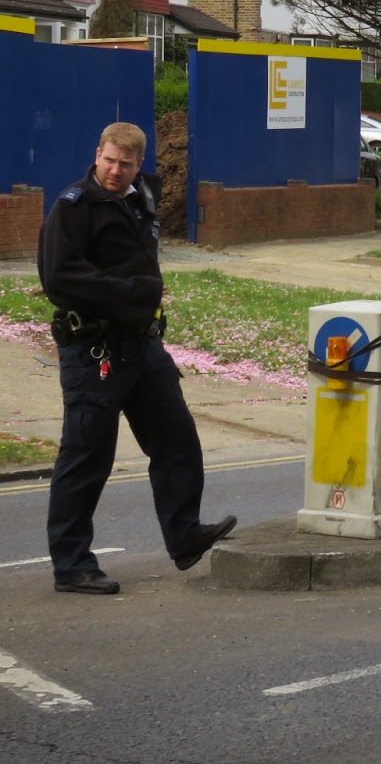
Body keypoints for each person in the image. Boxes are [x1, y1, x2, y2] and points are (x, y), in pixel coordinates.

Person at [37, 122, 235, 595]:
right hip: (94, 349)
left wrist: (144, 304)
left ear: (137, 165)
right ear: (97, 153)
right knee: (87, 457)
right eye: (108, 160)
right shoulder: (73, 207)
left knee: (177, 441)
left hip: (143, 348)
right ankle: (72, 564)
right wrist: (135, 294)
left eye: (125, 164)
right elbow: (60, 279)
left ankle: (184, 535)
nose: (114, 170)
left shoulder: (139, 197)